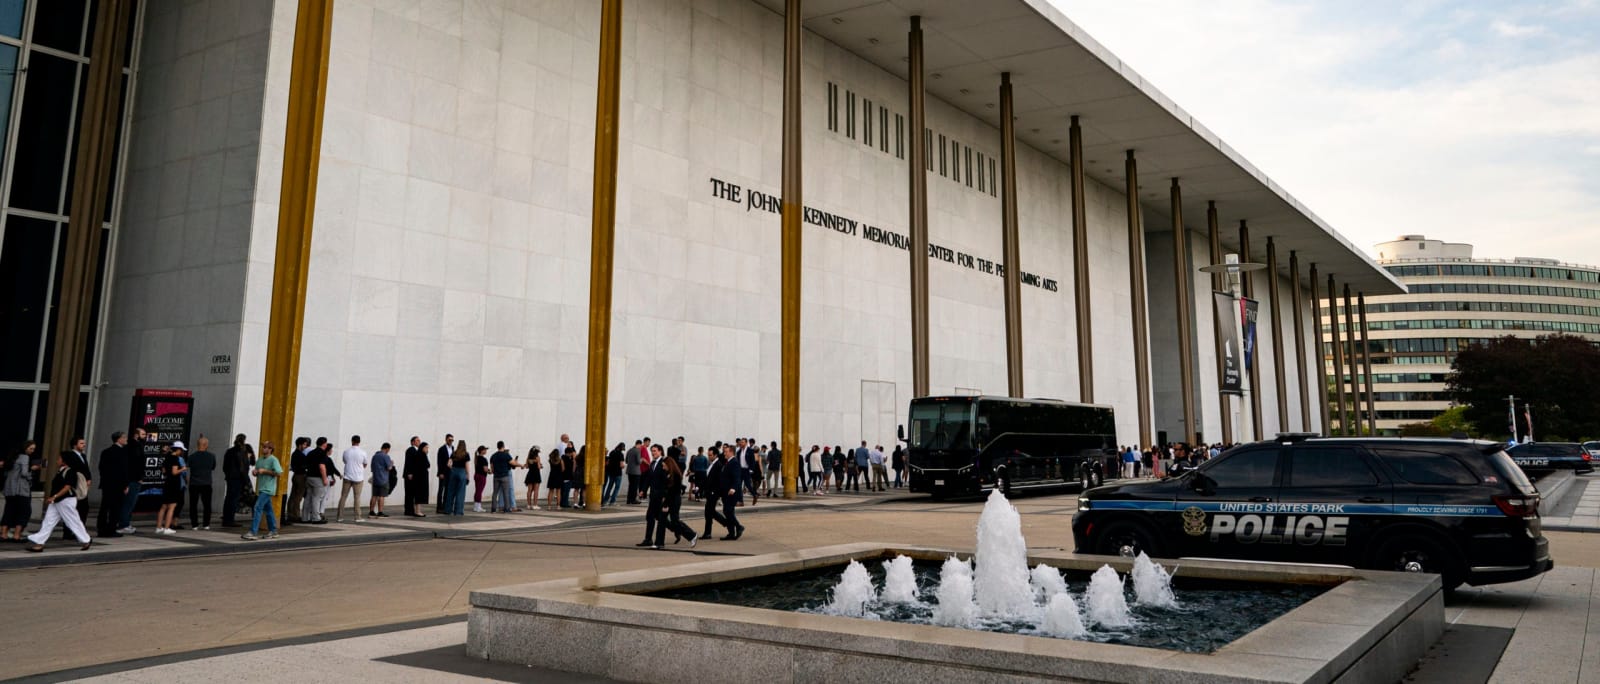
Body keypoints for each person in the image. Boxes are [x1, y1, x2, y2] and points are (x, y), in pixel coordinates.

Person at [25, 456, 92, 552]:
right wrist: (54, 498)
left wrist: (54, 496)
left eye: (59, 459)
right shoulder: (60, 471)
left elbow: (67, 487)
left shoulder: (70, 472)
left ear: (65, 461)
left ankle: (86, 540)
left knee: (72, 521)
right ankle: (39, 543)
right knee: (48, 521)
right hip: (57, 501)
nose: (57, 460)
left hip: (66, 501)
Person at [649, 448, 698, 549]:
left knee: (675, 521)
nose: (663, 467)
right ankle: (659, 543)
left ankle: (692, 535)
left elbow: (673, 492)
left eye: (664, 465)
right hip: (669, 499)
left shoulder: (675, 476)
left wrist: (666, 504)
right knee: (662, 520)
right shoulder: (668, 475)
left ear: (669, 465)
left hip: (674, 501)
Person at [242, 442, 283, 540]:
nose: (263, 449)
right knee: (269, 510)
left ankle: (253, 532)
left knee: (257, 507)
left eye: (265, 447)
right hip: (261, 488)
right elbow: (257, 471)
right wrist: (255, 472)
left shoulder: (274, 460)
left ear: (270, 449)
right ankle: (273, 530)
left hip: (268, 489)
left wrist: (265, 471)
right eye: (262, 447)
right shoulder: (260, 460)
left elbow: (279, 473)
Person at [2, 441, 39, 542]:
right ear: (25, 448)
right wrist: (32, 470)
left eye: (33, 449)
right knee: (24, 511)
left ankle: (4, 534)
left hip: (9, 488)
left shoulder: (13, 457)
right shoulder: (24, 457)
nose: (32, 451)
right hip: (21, 489)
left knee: (9, 510)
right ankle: (16, 535)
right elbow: (24, 473)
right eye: (31, 448)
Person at [96, 431, 130, 538]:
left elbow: (101, 468)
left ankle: (101, 529)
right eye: (124, 437)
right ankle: (111, 529)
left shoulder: (106, 452)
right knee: (115, 508)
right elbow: (123, 471)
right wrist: (125, 485)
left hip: (107, 484)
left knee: (104, 507)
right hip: (117, 485)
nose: (126, 439)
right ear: (118, 439)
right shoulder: (122, 452)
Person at [118, 428, 151, 533]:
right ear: (136, 435)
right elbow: (136, 464)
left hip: (133, 479)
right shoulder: (135, 446)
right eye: (143, 434)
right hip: (133, 479)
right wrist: (139, 477)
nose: (145, 436)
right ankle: (123, 524)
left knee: (129, 502)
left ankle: (125, 523)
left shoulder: (135, 446)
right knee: (129, 502)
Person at [59, 437, 92, 537]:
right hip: (75, 484)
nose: (84, 445)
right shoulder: (70, 455)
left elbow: (86, 469)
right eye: (81, 443)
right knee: (73, 508)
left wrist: (89, 479)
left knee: (83, 508)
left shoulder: (83, 456)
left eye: (84, 443)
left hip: (83, 484)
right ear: (75, 445)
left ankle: (78, 530)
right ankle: (68, 531)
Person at [155, 441, 188, 535]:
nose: (181, 452)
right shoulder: (175, 459)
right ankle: (166, 528)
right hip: (174, 484)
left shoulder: (167, 458)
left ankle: (159, 527)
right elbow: (174, 472)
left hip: (167, 482)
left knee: (163, 506)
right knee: (172, 506)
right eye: (181, 450)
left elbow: (164, 471)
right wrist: (183, 469)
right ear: (178, 450)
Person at [701, 445, 734, 540]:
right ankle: (708, 532)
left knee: (710, 512)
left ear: (715, 455)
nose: (709, 456)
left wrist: (715, 492)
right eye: (708, 455)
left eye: (710, 455)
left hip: (713, 493)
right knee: (709, 512)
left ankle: (727, 523)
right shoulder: (711, 464)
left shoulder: (718, 465)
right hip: (709, 492)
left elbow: (719, 481)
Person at [221, 434, 251, 528]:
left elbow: (225, 466)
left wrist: (228, 475)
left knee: (228, 498)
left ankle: (226, 518)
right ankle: (230, 520)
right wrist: (246, 480)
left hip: (230, 478)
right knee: (234, 499)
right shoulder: (242, 452)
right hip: (238, 478)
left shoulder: (229, 451)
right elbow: (243, 468)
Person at [336, 435, 369, 522]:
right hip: (358, 477)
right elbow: (365, 464)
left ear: (352, 441)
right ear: (359, 442)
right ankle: (357, 517)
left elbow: (345, 461)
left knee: (343, 496)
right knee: (357, 497)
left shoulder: (346, 451)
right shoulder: (363, 452)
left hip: (347, 476)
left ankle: (340, 517)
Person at [188, 436, 217, 530]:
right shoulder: (211, 456)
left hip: (194, 483)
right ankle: (206, 524)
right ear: (206, 445)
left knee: (193, 505)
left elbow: (188, 466)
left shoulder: (191, 457)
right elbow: (213, 467)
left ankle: (194, 524)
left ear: (197, 445)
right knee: (207, 505)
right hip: (206, 483)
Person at [303, 441, 333, 524]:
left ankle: (305, 517)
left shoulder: (310, 453)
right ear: (324, 444)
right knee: (316, 498)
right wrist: (324, 479)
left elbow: (305, 465)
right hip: (318, 478)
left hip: (309, 477)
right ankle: (316, 518)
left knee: (308, 498)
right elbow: (322, 466)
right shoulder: (322, 454)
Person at [285, 437, 311, 524]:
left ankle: (290, 514)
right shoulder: (301, 455)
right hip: (301, 476)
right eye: (304, 444)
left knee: (293, 495)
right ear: (300, 445)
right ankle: (296, 515)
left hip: (295, 475)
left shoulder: (294, 454)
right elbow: (305, 465)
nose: (305, 446)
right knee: (298, 496)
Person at [403, 438, 429, 517]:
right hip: (410, 475)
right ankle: (408, 510)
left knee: (413, 493)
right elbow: (409, 462)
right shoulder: (410, 450)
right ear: (412, 442)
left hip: (415, 475)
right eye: (417, 440)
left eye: (419, 440)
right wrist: (409, 473)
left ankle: (412, 510)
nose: (419, 442)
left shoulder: (418, 451)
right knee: (409, 493)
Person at [490, 442, 517, 513]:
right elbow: (513, 463)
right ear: (503, 446)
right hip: (504, 476)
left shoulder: (493, 456)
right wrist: (521, 465)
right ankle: (507, 508)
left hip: (496, 477)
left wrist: (494, 472)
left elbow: (492, 468)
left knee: (495, 493)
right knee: (506, 493)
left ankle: (493, 509)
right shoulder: (506, 455)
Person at [369, 442, 394, 518]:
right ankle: (380, 512)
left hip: (375, 479)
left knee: (374, 496)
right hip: (383, 479)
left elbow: (372, 469)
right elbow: (389, 468)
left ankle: (371, 511)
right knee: (381, 496)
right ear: (387, 449)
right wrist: (391, 463)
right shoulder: (386, 456)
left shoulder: (374, 456)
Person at [435, 434, 455, 514]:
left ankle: (445, 506)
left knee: (448, 490)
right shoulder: (441, 449)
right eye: (449, 440)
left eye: (452, 440)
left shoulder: (453, 448)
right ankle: (439, 507)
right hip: (443, 472)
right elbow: (439, 462)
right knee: (441, 490)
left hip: (450, 472)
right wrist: (440, 472)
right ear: (446, 440)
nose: (451, 441)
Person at [472, 445, 489, 513]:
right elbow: (485, 469)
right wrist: (490, 471)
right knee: (479, 491)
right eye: (485, 449)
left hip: (476, 475)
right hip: (482, 476)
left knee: (477, 491)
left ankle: (476, 506)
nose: (486, 451)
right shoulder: (483, 459)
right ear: (482, 451)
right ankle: (478, 507)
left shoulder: (477, 458)